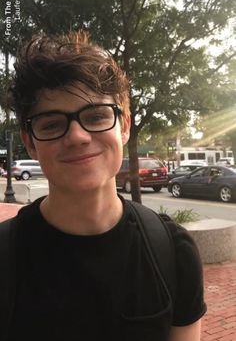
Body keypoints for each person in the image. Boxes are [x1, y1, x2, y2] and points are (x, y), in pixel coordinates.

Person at [5, 31, 206, 340]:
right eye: (52, 124)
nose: (77, 136)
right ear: (30, 143)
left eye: (96, 116)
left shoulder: (173, 252)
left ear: (124, 126)